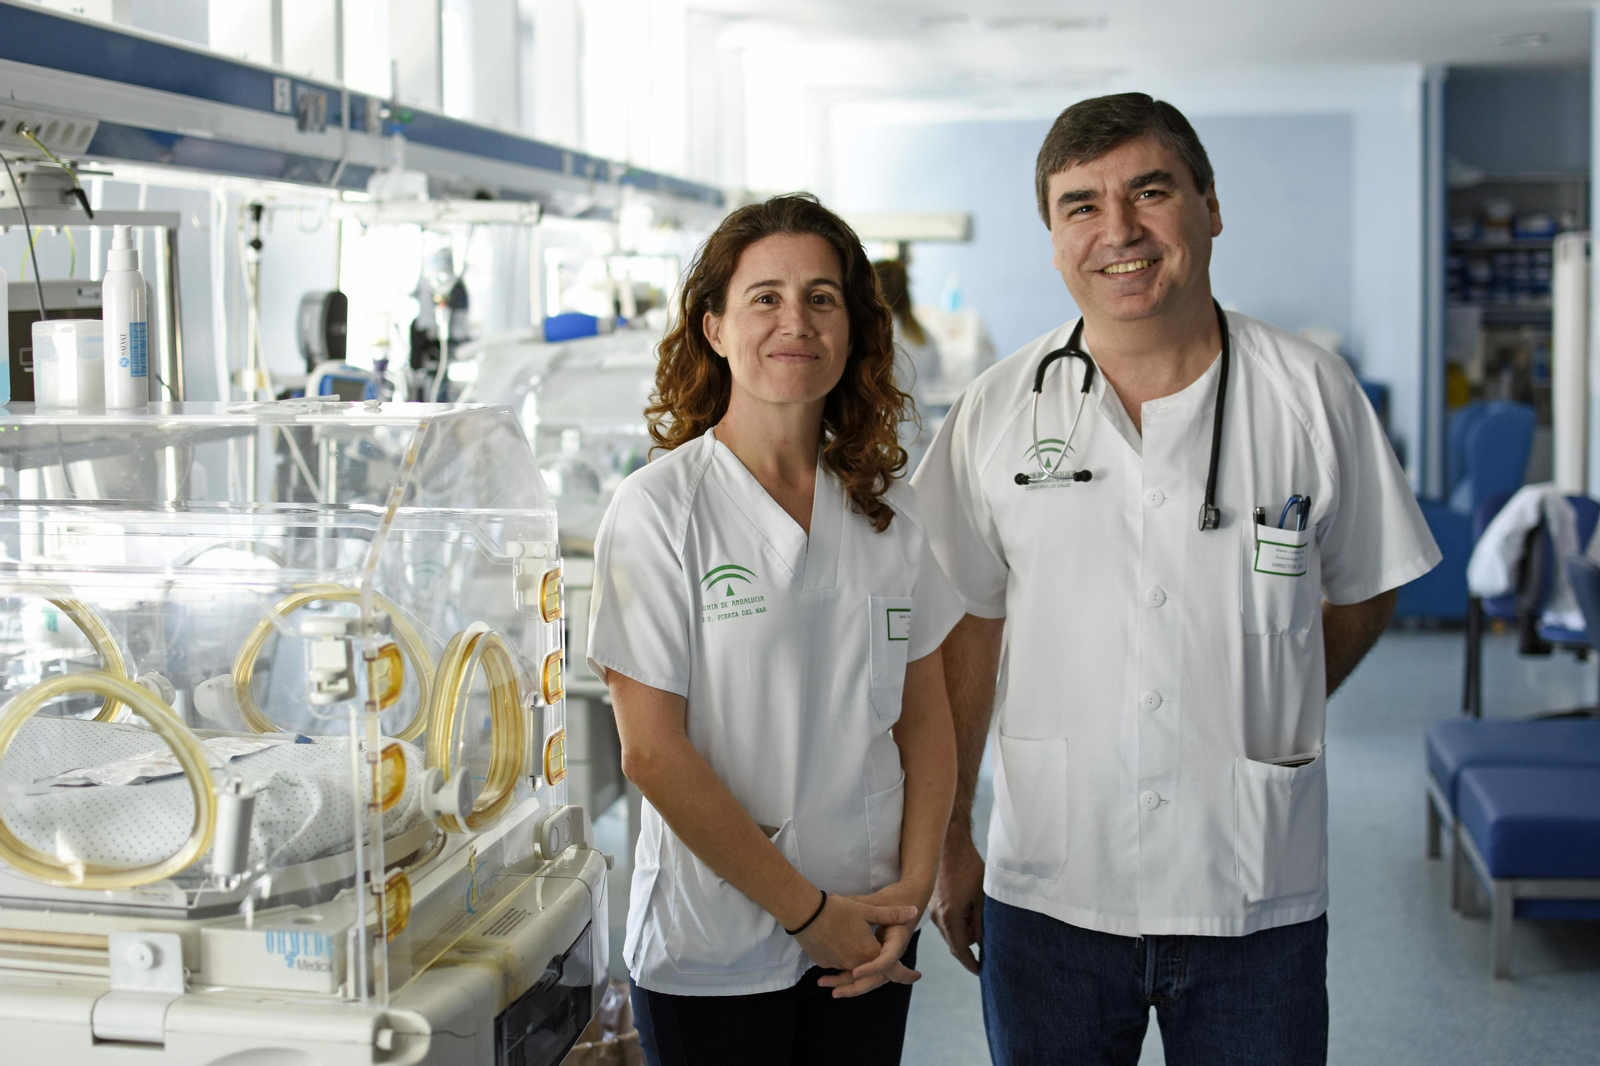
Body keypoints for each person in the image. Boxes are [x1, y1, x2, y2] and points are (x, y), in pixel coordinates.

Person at [913, 93, 1441, 1065]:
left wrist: (1280, 696)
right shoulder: (997, 410)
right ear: (1053, 234)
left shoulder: (1308, 392)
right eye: (1080, 205)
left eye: (1149, 192)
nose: (1117, 231)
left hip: (1254, 892)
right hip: (1050, 893)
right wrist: (952, 837)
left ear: (1208, 204)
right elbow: (964, 624)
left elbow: (1365, 583)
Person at [587, 193, 962, 1066]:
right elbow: (650, 753)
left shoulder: (887, 512)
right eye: (765, 297)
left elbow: (926, 718)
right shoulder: (660, 511)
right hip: (714, 943)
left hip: (869, 928)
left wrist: (910, 889)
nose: (796, 320)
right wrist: (807, 912)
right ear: (714, 327)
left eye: (822, 298)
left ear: (853, 329)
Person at [875, 258, 945, 475]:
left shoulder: (876, 335)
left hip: (888, 436)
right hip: (919, 434)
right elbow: (936, 379)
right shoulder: (923, 336)